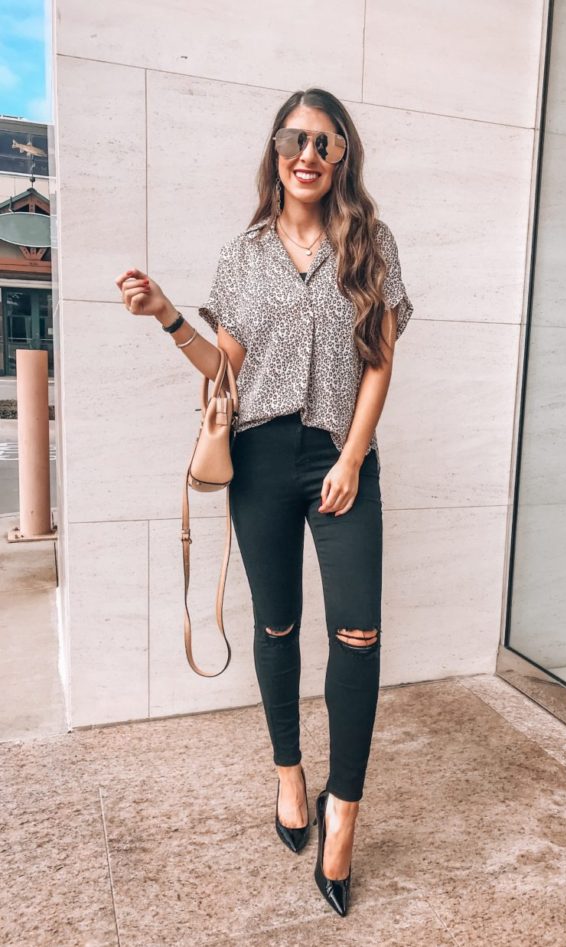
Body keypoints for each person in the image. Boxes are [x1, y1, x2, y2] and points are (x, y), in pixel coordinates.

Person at [115, 87, 413, 918]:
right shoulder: (243, 254)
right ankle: (290, 772)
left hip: (340, 456)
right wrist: (167, 313)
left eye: (326, 141)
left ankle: (342, 814)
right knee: (276, 623)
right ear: (276, 150)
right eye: (295, 138)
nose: (308, 153)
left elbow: (380, 361)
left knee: (357, 634)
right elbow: (227, 373)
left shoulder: (371, 244)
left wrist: (352, 455)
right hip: (258, 455)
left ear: (342, 156)